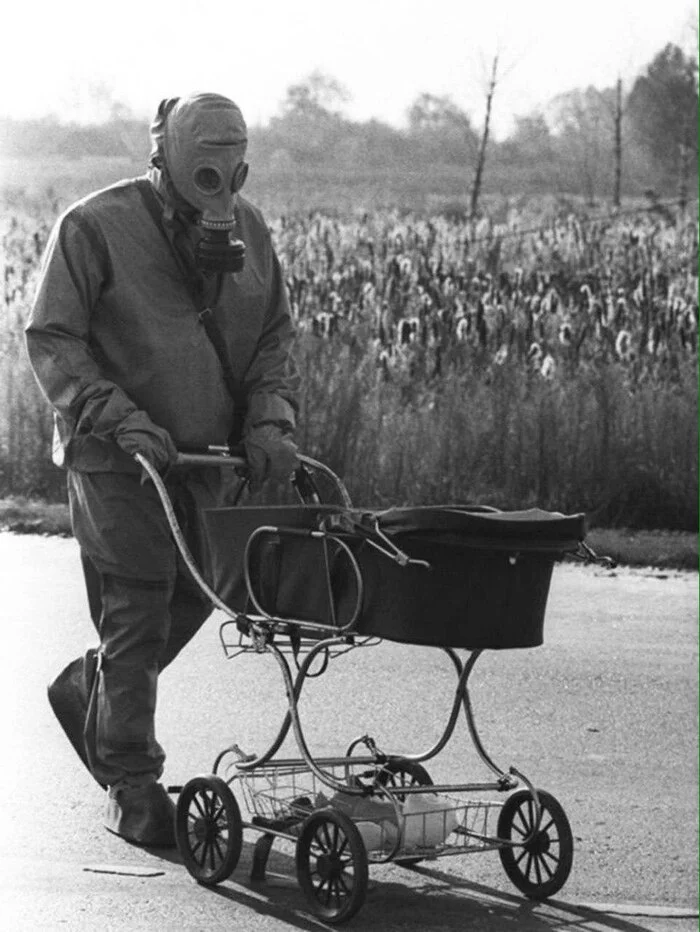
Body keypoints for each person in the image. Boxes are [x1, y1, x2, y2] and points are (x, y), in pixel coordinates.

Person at [25, 93, 301, 847]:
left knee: (199, 593)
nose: (220, 186)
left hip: (206, 454)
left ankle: (97, 691)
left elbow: (272, 336)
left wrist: (270, 417)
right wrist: (116, 415)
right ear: (166, 163)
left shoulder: (249, 232)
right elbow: (52, 337)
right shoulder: (94, 228)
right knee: (140, 604)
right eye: (203, 168)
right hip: (121, 457)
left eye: (231, 166)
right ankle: (133, 785)